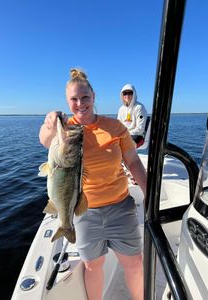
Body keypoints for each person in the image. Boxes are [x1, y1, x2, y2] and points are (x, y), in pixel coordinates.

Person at [39, 68, 147, 300]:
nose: (80, 103)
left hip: (120, 207)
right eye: (74, 99)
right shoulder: (65, 128)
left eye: (85, 97)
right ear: (68, 101)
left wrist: (150, 193)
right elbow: (45, 140)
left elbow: (134, 162)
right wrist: (49, 123)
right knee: (92, 267)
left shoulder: (115, 127)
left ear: (94, 96)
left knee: (135, 264)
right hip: (84, 211)